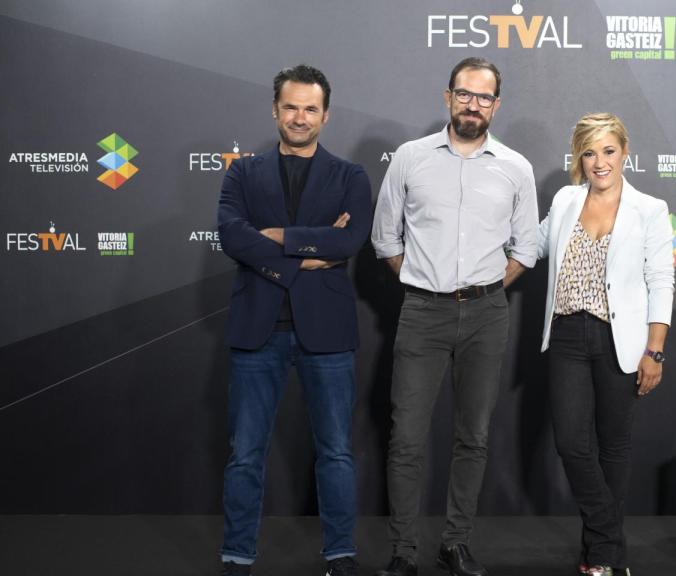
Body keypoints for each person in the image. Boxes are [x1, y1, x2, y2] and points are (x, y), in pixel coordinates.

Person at [370, 57, 539, 576]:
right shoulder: (410, 158)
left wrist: (484, 288)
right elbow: (385, 238)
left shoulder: (516, 167)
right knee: (407, 437)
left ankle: (456, 542)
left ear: (496, 105)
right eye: (464, 94)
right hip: (422, 311)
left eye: (483, 97)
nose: (473, 104)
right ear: (447, 97)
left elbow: (526, 247)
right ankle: (403, 550)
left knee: (475, 436)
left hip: (488, 313)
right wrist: (424, 284)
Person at [216, 64, 371, 576]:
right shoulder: (242, 172)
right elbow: (233, 237)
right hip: (258, 332)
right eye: (290, 106)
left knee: (336, 453)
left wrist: (278, 238)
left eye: (310, 108)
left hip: (326, 333)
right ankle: (237, 556)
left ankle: (340, 554)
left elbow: (348, 242)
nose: (299, 117)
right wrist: (310, 247)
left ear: (325, 115)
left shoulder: (350, 176)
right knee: (245, 454)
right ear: (275, 110)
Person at [537, 113, 674, 576]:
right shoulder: (564, 200)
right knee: (572, 444)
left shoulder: (649, 209)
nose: (599, 162)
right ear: (579, 156)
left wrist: (654, 350)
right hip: (568, 335)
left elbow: (661, 280)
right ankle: (611, 544)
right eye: (590, 152)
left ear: (625, 151)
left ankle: (598, 558)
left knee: (614, 447)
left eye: (608, 151)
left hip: (622, 338)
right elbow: (531, 245)